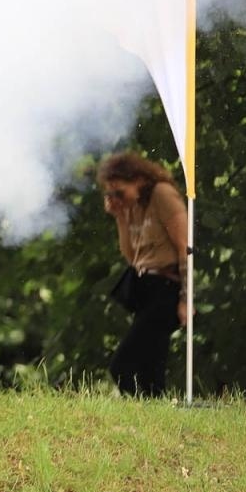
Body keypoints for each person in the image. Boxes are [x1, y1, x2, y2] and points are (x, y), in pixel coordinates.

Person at [97, 152, 189, 397]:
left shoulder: (162, 194)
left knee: (122, 366)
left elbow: (185, 247)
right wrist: (120, 217)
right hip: (144, 287)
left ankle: (143, 410)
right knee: (150, 370)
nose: (116, 199)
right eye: (110, 195)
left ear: (138, 180)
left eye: (119, 193)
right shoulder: (131, 205)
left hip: (167, 288)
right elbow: (132, 256)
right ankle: (155, 412)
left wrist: (186, 298)